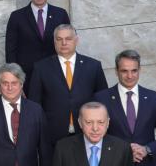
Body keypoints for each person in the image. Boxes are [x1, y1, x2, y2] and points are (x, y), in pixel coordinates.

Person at [27, 24, 107, 152]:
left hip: (88, 134)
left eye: (68, 39)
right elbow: (34, 104)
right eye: (59, 39)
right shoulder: (41, 68)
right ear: (54, 42)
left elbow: (103, 100)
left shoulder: (93, 66)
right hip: (52, 136)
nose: (64, 43)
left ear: (76, 40)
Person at [4, 0, 70, 86]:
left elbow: (68, 46)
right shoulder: (17, 17)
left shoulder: (60, 14)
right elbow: (11, 52)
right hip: (26, 78)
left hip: (56, 77)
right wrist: (16, 81)